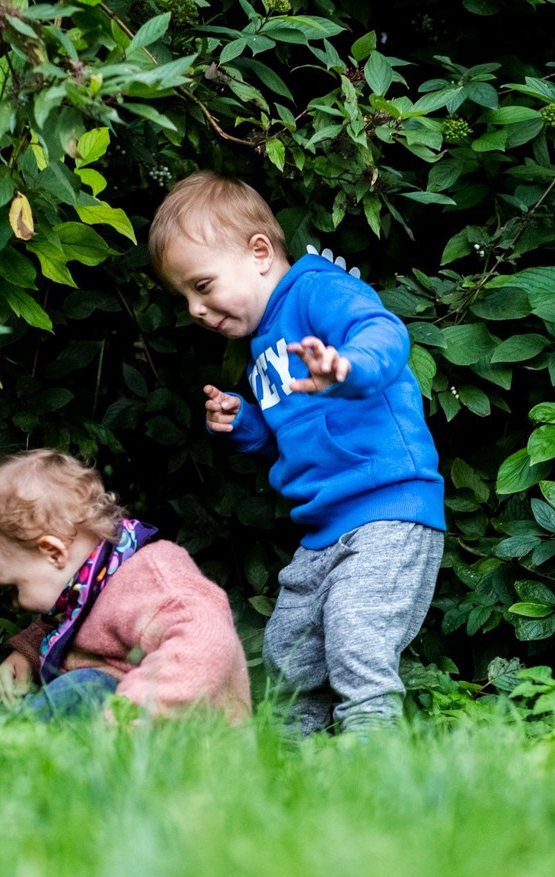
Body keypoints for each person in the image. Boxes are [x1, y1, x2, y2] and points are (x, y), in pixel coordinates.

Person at [149, 170, 445, 735]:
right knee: (288, 654)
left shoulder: (317, 290)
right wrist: (242, 424)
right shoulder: (263, 344)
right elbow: (284, 431)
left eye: (203, 285)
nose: (194, 308)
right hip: (323, 527)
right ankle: (294, 774)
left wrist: (348, 365)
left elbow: (383, 332)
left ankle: (373, 763)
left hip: (388, 506)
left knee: (357, 634)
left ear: (259, 252)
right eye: (183, 296)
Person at [0, 449, 252, 723]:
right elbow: (74, 621)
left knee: (77, 690)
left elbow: (208, 638)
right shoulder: (94, 582)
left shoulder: (152, 579)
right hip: (130, 737)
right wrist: (28, 654)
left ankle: (9, 755)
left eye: (13, 587)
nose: (14, 603)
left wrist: (130, 711)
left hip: (189, 739)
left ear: (53, 552)